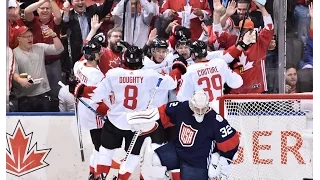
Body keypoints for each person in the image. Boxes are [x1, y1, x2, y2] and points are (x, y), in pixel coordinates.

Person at [72, 45, 187, 180]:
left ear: (124, 60)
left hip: (115, 121)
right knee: (133, 154)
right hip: (137, 123)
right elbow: (173, 83)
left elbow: (95, 94)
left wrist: (79, 89)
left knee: (106, 150)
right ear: (141, 61)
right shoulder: (149, 74)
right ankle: (121, 178)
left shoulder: (113, 74)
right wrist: (178, 67)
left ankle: (100, 176)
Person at [140, 91, 240, 180]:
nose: (200, 112)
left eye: (203, 109)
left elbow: (231, 142)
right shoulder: (182, 108)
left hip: (197, 162)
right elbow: (163, 113)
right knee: (152, 162)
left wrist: (224, 161)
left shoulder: (215, 119)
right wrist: (148, 121)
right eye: (197, 108)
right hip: (177, 150)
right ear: (191, 104)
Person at [176, 37, 256, 112]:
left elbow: (182, 97)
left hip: (202, 113)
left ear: (193, 55)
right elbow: (237, 83)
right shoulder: (220, 63)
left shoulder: (190, 70)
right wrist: (236, 69)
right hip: (221, 111)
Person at [73, 33, 107, 180]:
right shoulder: (96, 75)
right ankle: (97, 175)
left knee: (97, 146)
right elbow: (101, 97)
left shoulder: (78, 65)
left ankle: (93, 174)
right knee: (101, 147)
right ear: (95, 56)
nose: (100, 54)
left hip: (83, 111)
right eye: (98, 53)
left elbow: (82, 57)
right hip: (95, 113)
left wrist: (92, 36)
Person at [12, 26, 64, 112]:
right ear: (19, 38)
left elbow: (59, 49)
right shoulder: (14, 53)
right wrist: (20, 80)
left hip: (42, 93)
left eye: (31, 36)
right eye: (26, 37)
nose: (30, 39)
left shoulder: (39, 47)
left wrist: (54, 36)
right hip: (25, 96)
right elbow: (13, 72)